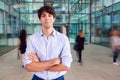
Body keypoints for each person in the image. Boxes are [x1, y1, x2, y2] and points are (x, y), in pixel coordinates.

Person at [23, 5, 73, 80]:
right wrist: (54, 62)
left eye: (50, 15)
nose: (47, 18)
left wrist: (38, 64)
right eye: (43, 16)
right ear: (40, 19)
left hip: (58, 78)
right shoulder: (32, 39)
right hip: (38, 78)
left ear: (54, 19)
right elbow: (28, 66)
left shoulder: (63, 39)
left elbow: (66, 66)